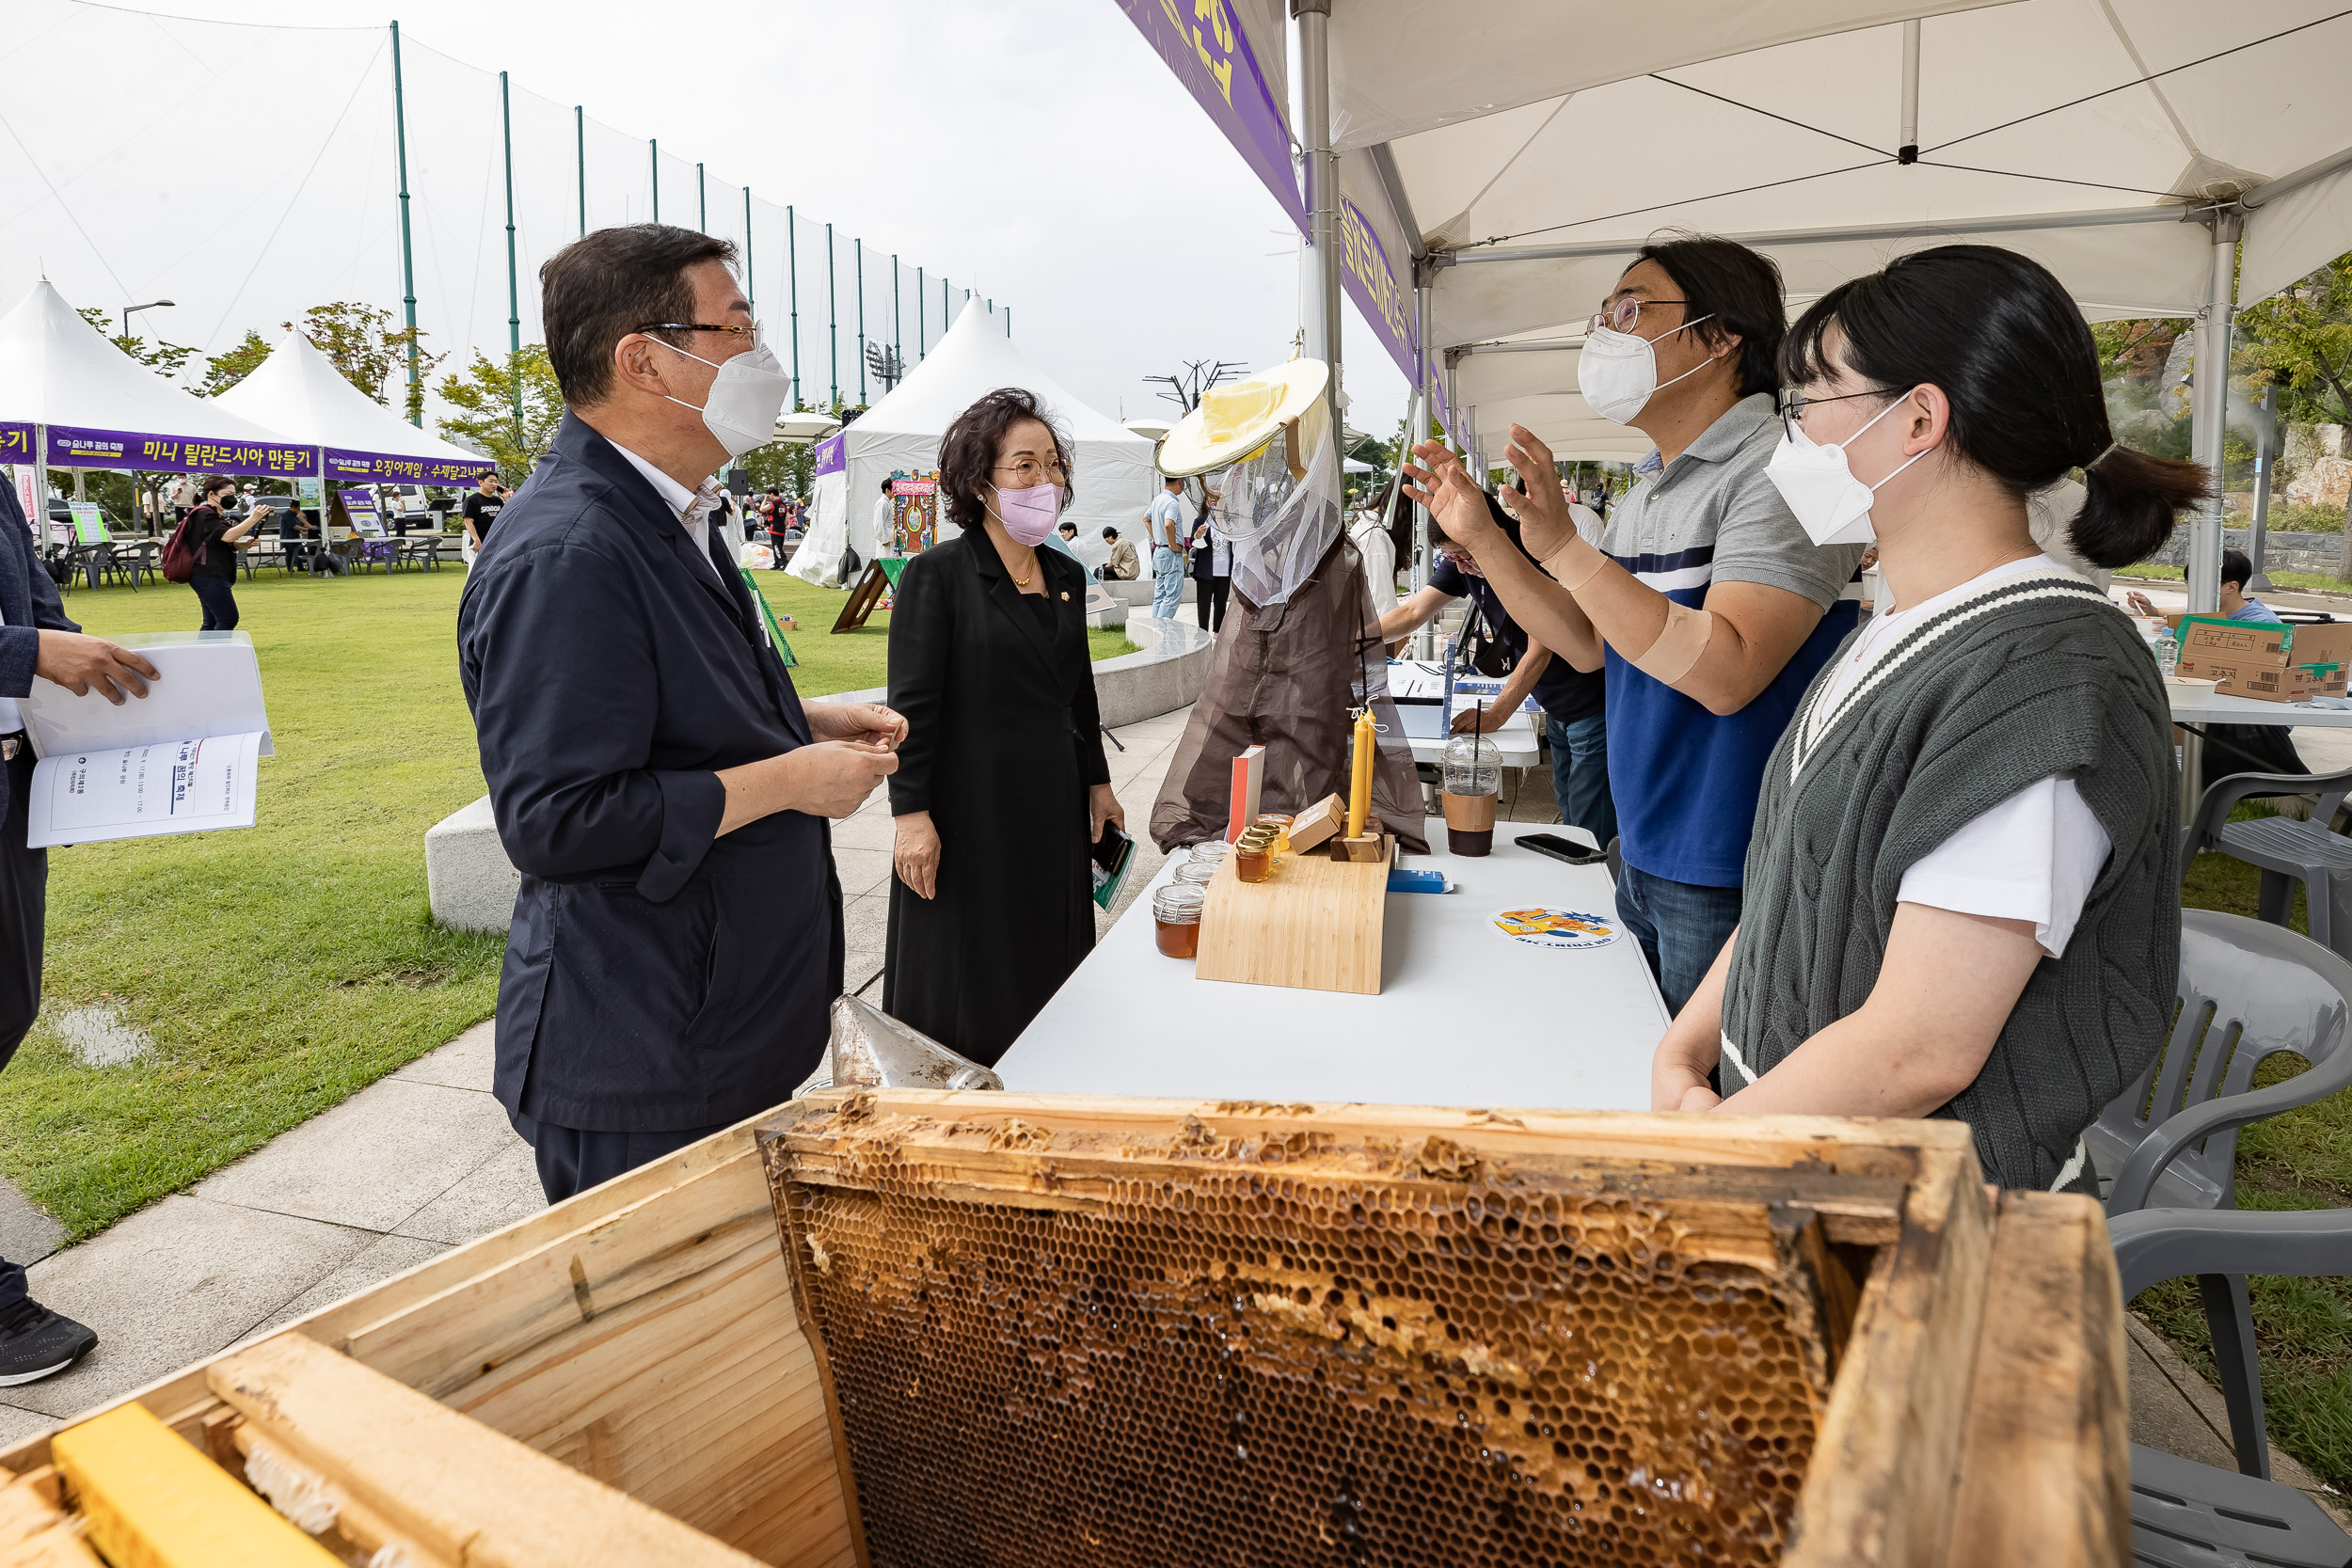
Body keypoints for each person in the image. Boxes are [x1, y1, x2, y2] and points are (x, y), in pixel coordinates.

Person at [1645, 245, 2193, 1193]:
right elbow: (1792, 882)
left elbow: (1920, 1044)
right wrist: (1683, 1049)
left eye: (1808, 403)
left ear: (1917, 419)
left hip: (1916, 1218)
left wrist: (1701, 1156)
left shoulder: (2045, 678)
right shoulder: (1897, 623)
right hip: (1784, 1154)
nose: (1793, 437)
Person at [459, 223, 906, 1203]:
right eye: (733, 327)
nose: (760, 355)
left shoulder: (669, 510)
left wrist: (799, 715)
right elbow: (557, 819)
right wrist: (791, 776)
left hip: (713, 1020)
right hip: (644, 1051)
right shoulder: (571, 549)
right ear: (643, 360)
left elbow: (661, 697)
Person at [1405, 234, 1863, 1012]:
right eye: (1602, 316)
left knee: (1707, 1108)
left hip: (1736, 860)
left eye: (1629, 309)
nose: (1605, 334)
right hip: (1646, 845)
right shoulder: (1649, 491)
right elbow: (1587, 644)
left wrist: (1563, 548)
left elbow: (1728, 669)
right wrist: (1486, 535)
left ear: (1723, 335)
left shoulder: (1785, 470)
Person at [884, 388, 1123, 1066]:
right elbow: (914, 710)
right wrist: (911, 816)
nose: (1044, 480)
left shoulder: (1066, 577)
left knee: (1047, 956)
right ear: (979, 481)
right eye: (1023, 465)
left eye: (1053, 464)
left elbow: (1078, 691)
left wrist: (1098, 781)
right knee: (969, 969)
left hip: (1050, 802)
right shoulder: (938, 577)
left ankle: (1049, 1068)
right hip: (970, 812)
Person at [0, 482, 158, 1383]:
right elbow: (33, 641)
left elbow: (40, 609)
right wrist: (30, 653)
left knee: (8, 1010)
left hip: (14, 790)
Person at [1381, 496, 1615, 849]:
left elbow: (1541, 647)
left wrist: (1495, 714)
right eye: (1451, 558)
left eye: (1465, 556)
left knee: (1588, 827)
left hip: (1592, 706)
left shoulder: (1534, 554)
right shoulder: (1467, 560)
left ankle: (1600, 895)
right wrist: (1348, 638)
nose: (1460, 567)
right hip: (1556, 706)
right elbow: (1412, 613)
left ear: (1495, 532)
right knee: (1570, 809)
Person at [182, 476, 261, 629]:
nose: (231, 498)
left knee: (211, 622)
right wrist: (253, 518)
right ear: (212, 494)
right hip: (207, 574)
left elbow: (220, 542)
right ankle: (214, 653)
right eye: (227, 494)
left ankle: (205, 653)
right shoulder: (204, 514)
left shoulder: (216, 516)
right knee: (228, 618)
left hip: (211, 574)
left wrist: (243, 544)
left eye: (233, 494)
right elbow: (228, 536)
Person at [2124, 549, 2277, 625]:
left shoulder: (2262, 622)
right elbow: (2156, 612)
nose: (2194, 591)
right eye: (2189, 584)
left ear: (2231, 587)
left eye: (2200, 585)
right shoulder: (2204, 607)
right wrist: (2147, 607)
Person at [1352, 482, 1401, 615]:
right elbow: (1381, 599)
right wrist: (1394, 632)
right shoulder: (1375, 535)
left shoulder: (1366, 524)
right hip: (1371, 624)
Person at [1188, 487, 1232, 632]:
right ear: (1205, 501)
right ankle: (1203, 632)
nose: (1213, 500)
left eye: (1216, 497)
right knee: (1203, 604)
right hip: (1205, 570)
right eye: (1210, 497)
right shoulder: (1201, 520)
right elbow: (1193, 544)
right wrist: (1198, 535)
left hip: (1225, 570)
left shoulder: (1228, 520)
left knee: (1221, 604)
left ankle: (1218, 633)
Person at [1146, 474, 1187, 619]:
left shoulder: (1158, 499)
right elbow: (1169, 524)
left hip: (1159, 551)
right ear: (1179, 481)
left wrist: (1157, 537)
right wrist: (1172, 544)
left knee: (1160, 595)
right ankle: (1162, 631)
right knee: (1171, 596)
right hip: (1170, 553)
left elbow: (1146, 519)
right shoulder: (1172, 502)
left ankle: (1154, 630)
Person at [461, 471, 504, 564]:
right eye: (491, 481)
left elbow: (507, 517)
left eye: (496, 482)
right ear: (480, 482)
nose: (494, 484)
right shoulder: (471, 500)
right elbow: (468, 522)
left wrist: (506, 498)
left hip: (497, 543)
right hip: (480, 543)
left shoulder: (498, 501)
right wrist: (476, 540)